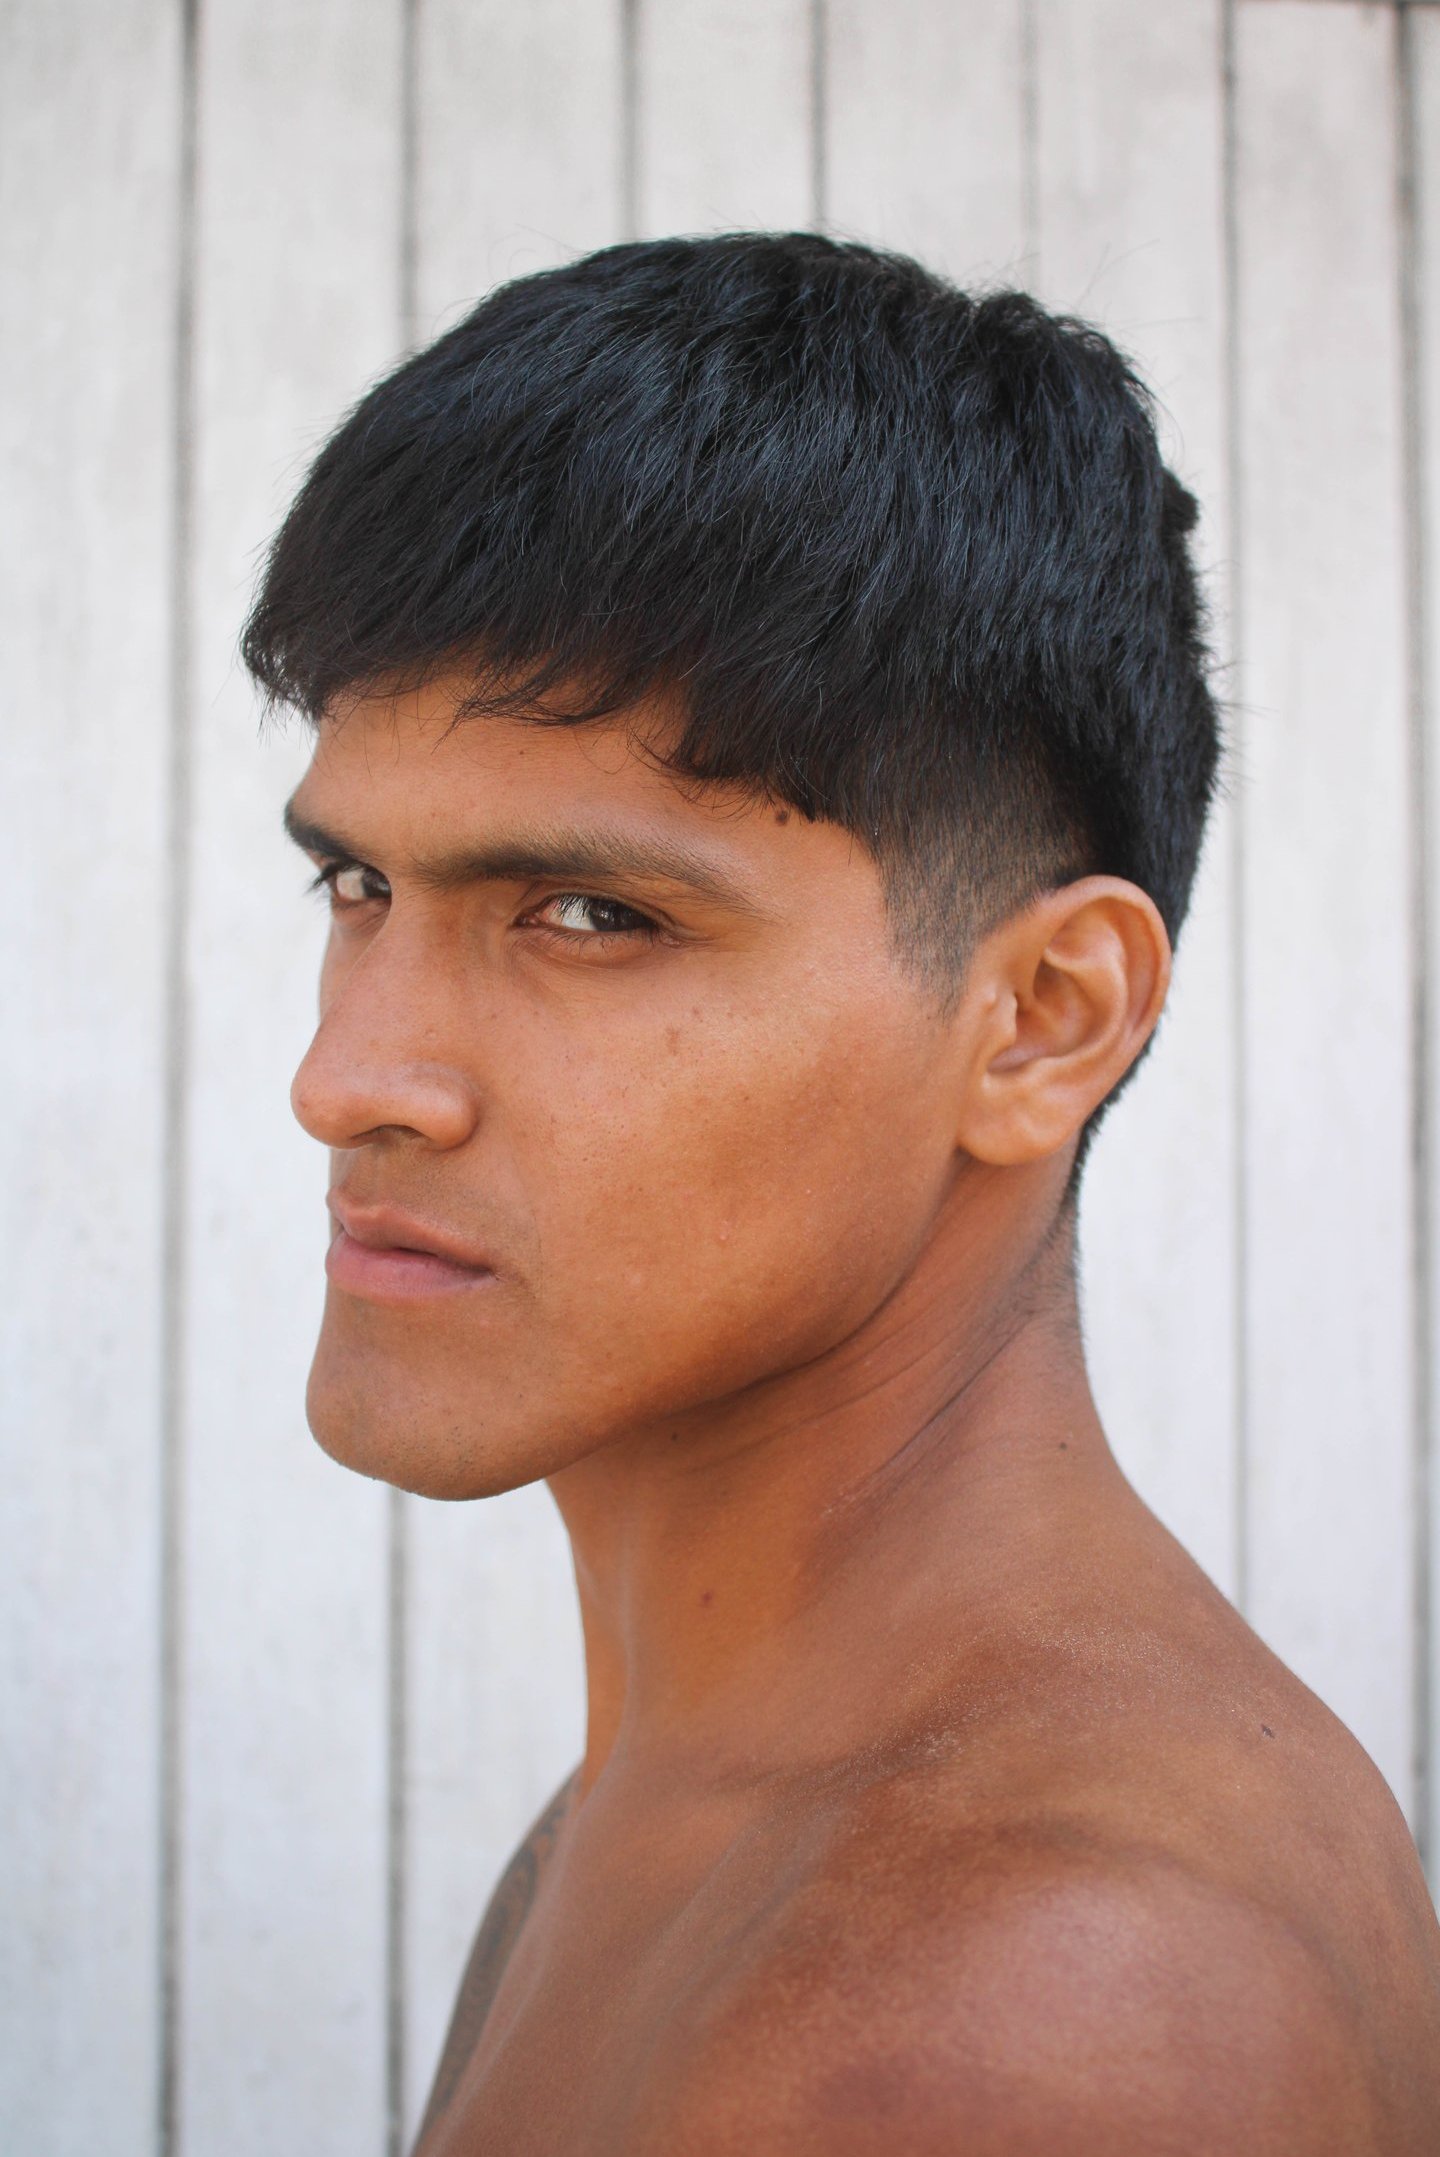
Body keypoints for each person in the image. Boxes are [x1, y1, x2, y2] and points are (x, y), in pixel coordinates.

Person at [246, 233, 1440, 2155]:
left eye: (590, 915)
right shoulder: (682, 1801)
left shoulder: (1033, 1999)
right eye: (358, 885)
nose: (348, 1077)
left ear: (1044, 1017)